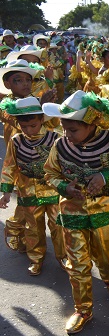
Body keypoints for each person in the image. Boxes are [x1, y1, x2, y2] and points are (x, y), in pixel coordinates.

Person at [42, 91, 109, 333]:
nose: (67, 135)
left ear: (90, 124)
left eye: (72, 130)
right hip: (72, 211)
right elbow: (50, 173)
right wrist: (64, 186)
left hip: (104, 209)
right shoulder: (60, 145)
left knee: (107, 255)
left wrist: (104, 176)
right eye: (64, 129)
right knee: (78, 264)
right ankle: (83, 309)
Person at [0, 97, 65, 275]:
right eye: (24, 126)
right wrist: (5, 191)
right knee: (33, 228)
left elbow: (64, 164)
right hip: (28, 192)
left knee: (59, 226)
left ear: (41, 120)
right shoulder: (16, 140)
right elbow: (9, 165)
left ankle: (64, 256)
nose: (28, 130)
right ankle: (36, 258)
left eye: (33, 125)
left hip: (54, 191)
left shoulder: (55, 138)